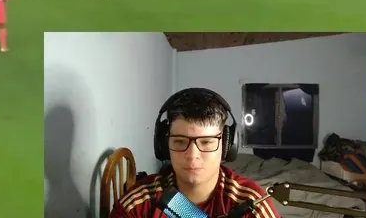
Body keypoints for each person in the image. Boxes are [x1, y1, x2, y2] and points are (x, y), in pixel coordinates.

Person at [110, 88, 279, 218]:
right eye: (180, 141)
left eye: (206, 142)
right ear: (164, 145)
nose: (192, 155)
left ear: (227, 146)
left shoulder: (253, 205)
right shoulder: (137, 204)